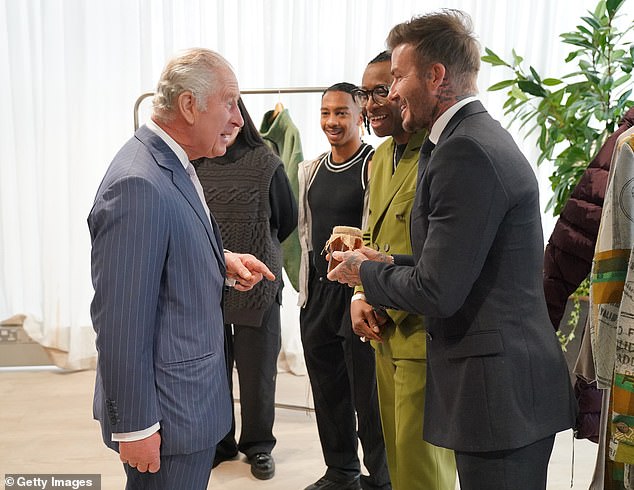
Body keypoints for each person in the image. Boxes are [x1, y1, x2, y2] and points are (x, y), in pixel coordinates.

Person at [328, 11, 577, 490]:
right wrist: (386, 263)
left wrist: (365, 274)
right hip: (498, 390)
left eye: (398, 76)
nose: (392, 91)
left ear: (436, 76)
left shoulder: (465, 151)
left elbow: (438, 289)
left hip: (498, 396)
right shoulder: (466, 141)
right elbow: (455, 263)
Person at [88, 48, 275, 490]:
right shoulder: (138, 183)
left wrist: (221, 261)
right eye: (230, 102)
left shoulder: (170, 162)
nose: (239, 119)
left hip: (186, 408)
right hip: (167, 418)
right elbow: (120, 321)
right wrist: (134, 426)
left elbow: (161, 254)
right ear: (190, 106)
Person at [350, 51, 456, 490]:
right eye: (366, 93)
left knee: (423, 471)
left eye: (382, 90)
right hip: (383, 333)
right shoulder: (378, 161)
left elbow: (438, 258)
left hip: (421, 334)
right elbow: (371, 237)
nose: (372, 103)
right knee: (396, 463)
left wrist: (376, 297)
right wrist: (359, 296)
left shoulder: (437, 157)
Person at [193, 97, 298, 480]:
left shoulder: (266, 162)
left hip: (259, 284)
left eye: (234, 114)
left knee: (258, 373)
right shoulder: (195, 164)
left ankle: (259, 446)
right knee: (212, 370)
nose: (229, 122)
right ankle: (221, 442)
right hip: (211, 283)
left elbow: (286, 220)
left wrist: (255, 252)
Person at [297, 82, 390, 490]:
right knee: (327, 389)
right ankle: (340, 471)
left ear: (360, 116)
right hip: (318, 294)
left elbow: (379, 231)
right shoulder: (311, 168)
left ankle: (380, 479)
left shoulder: (374, 165)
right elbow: (303, 233)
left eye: (341, 113)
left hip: (355, 293)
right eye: (325, 113)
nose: (332, 121)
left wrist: (366, 290)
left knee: (368, 399)